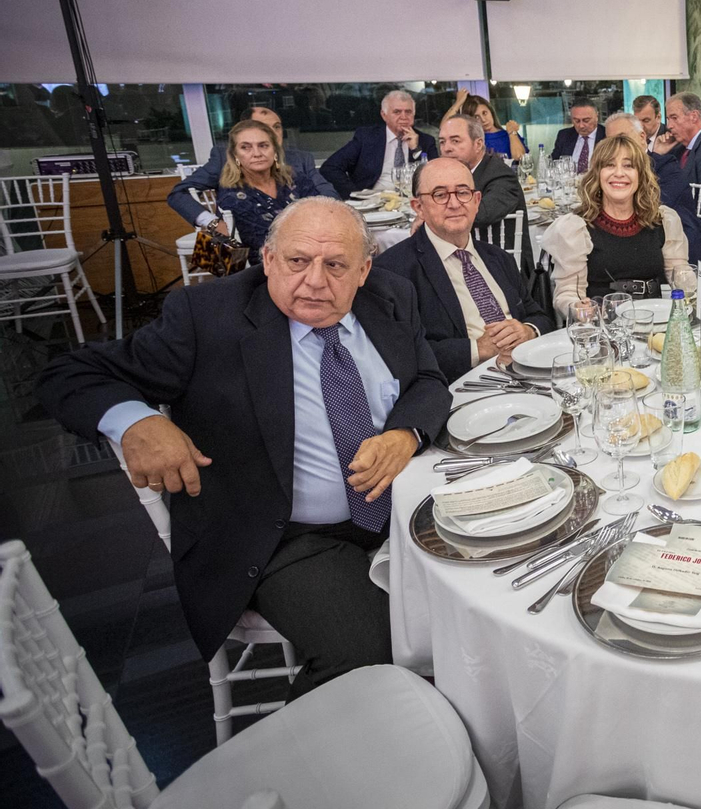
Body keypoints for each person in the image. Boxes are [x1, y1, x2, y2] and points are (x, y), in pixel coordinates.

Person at [36, 197, 449, 695]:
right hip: (283, 533)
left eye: (336, 265)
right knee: (371, 652)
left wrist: (403, 435)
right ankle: (316, 762)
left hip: (400, 511)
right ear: (269, 261)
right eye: (298, 261)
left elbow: (428, 380)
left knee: (489, 592)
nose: (316, 280)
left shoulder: (390, 295)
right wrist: (136, 421)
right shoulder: (207, 317)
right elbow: (69, 373)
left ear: (363, 270)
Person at [373, 158, 550, 381]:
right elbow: (400, 354)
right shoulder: (393, 271)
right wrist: (477, 350)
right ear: (418, 207)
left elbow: (539, 315)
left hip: (528, 372)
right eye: (440, 194)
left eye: (463, 192)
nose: (455, 203)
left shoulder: (499, 258)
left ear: (476, 201)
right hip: (462, 386)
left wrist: (528, 330)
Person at [544, 133, 690, 316]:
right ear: (597, 174)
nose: (619, 173)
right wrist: (578, 308)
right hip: (603, 327)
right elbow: (567, 292)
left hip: (655, 323)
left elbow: (680, 274)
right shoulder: (576, 228)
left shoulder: (664, 220)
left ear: (640, 175)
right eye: (609, 165)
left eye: (629, 166)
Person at [169, 106, 337, 227]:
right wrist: (211, 222)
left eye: (276, 127)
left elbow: (326, 192)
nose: (273, 133)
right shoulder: (223, 158)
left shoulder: (301, 159)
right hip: (244, 243)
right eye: (263, 127)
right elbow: (179, 194)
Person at [605, 111, 701, 263]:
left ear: (641, 138)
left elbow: (649, 208)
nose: (617, 146)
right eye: (611, 141)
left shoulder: (667, 167)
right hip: (637, 247)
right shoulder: (610, 174)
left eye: (622, 138)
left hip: (680, 253)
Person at [215, 120, 322, 263]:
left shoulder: (296, 180)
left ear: (275, 151)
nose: (257, 153)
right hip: (265, 265)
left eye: (263, 146)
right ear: (235, 155)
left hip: (312, 252)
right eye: (245, 147)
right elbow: (264, 242)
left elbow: (320, 215)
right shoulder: (232, 196)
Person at [320, 89, 438, 197]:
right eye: (397, 112)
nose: (404, 117)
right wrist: (356, 195)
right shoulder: (367, 137)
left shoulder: (426, 141)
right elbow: (330, 168)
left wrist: (416, 149)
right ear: (384, 115)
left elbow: (436, 177)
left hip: (412, 202)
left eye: (408, 112)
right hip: (374, 202)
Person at [437, 113, 525, 229]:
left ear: (478, 144)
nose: (446, 149)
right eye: (442, 142)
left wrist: (430, 215)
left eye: (455, 141)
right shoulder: (447, 175)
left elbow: (482, 214)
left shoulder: (501, 175)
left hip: (491, 245)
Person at [444, 91, 526, 160]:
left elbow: (520, 158)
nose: (483, 120)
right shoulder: (471, 140)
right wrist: (458, 103)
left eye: (485, 113)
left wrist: (512, 133)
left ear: (491, 112)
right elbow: (445, 127)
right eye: (476, 117)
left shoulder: (508, 134)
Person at [550, 97, 604, 171]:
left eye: (586, 120)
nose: (581, 125)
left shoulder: (606, 135)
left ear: (597, 117)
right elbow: (553, 163)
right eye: (576, 121)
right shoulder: (564, 135)